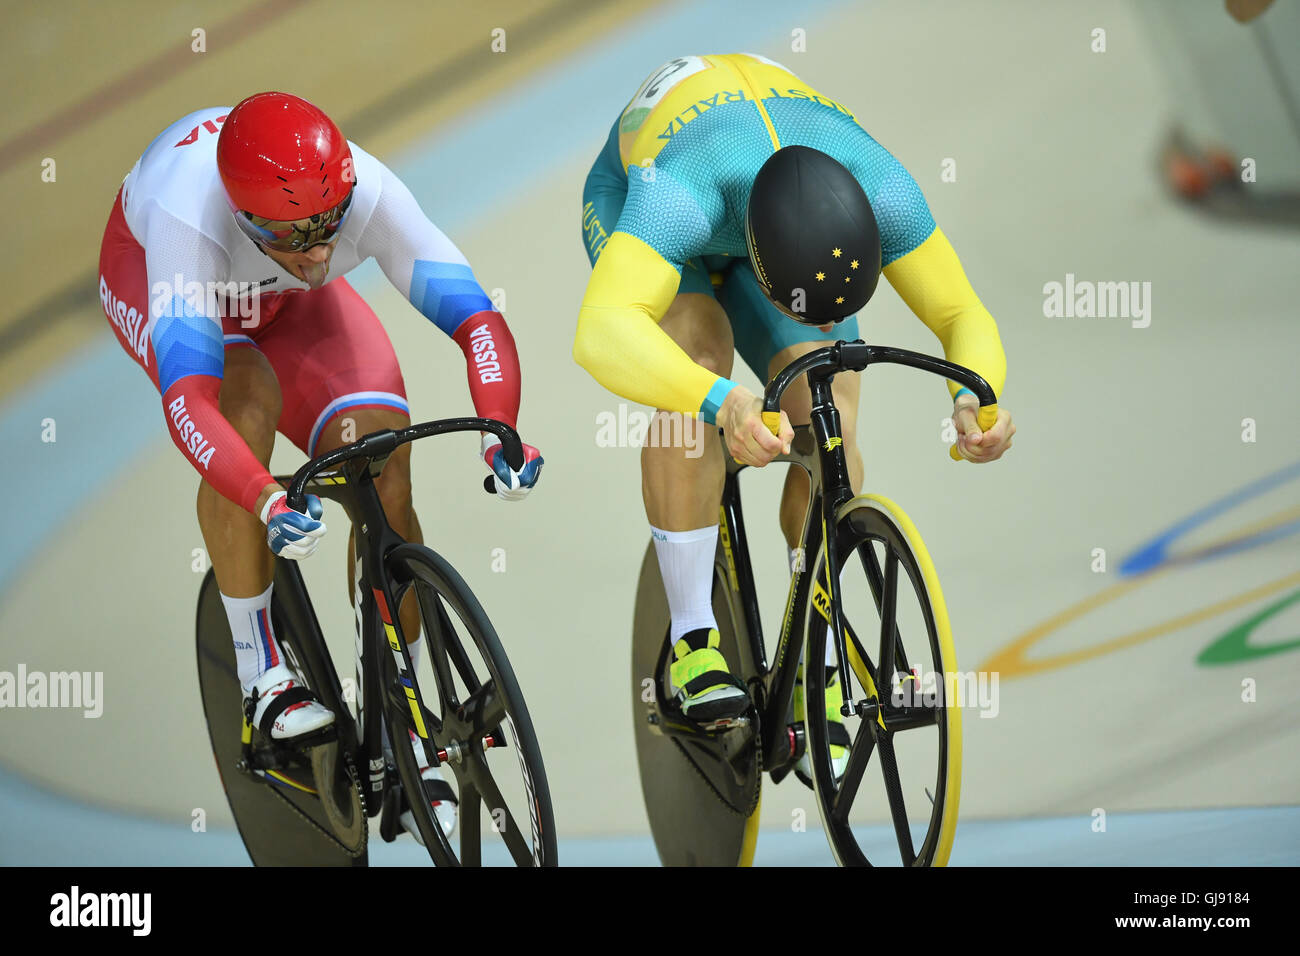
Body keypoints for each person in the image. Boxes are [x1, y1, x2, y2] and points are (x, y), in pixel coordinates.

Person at [98, 91, 543, 841]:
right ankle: (261, 672)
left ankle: (397, 709)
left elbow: (478, 320)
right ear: (244, 220)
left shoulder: (361, 191)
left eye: (328, 229)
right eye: (295, 237)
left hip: (282, 303)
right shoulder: (188, 220)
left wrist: (501, 426)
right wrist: (264, 495)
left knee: (379, 451)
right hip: (158, 279)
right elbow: (189, 405)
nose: (318, 253)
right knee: (246, 407)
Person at [575, 54, 1013, 781]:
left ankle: (817, 643)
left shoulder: (885, 191)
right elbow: (600, 333)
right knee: (698, 349)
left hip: (778, 206)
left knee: (826, 391)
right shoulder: (678, 196)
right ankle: (692, 640)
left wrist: (977, 398)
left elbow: (962, 312)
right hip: (654, 189)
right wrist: (723, 402)